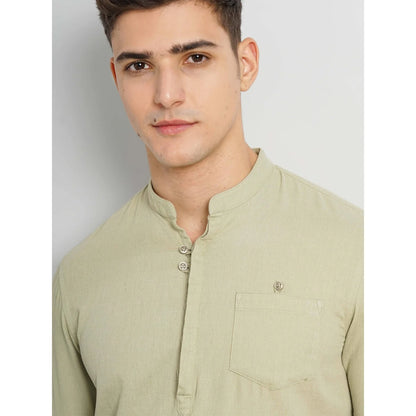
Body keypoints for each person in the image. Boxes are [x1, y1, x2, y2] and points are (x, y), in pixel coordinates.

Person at [52, 1, 363, 415]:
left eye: (195, 58)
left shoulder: (357, 250)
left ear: (245, 65)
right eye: (139, 66)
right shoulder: (80, 275)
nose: (166, 95)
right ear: (116, 78)